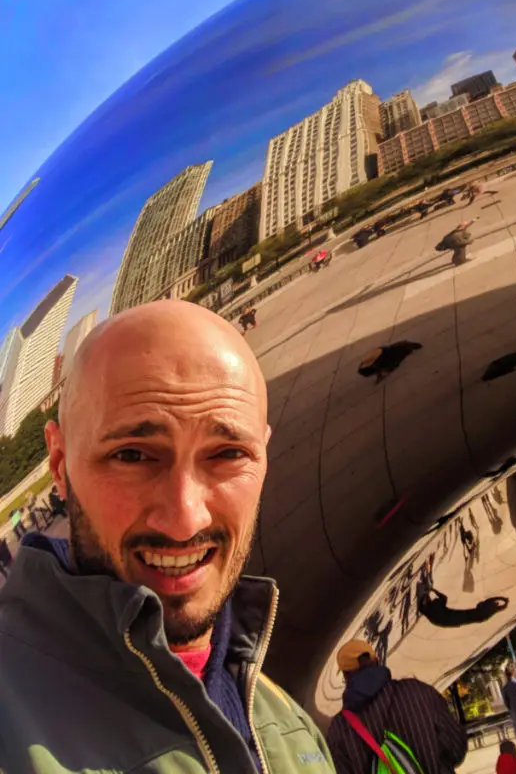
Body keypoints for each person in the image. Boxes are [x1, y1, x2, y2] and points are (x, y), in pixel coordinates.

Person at [0, 300, 333, 774]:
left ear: (263, 456)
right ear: (59, 464)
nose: (184, 519)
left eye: (228, 453)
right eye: (133, 455)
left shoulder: (288, 723)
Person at [326, 639, 466, 774]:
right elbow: (456, 747)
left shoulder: (339, 730)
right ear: (377, 661)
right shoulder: (418, 691)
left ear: (346, 675)